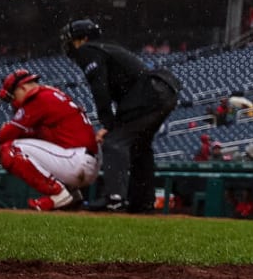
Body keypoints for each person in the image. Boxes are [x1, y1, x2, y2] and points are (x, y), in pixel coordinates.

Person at [61, 18, 180, 213]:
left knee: (114, 142)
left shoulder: (87, 50)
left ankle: (114, 199)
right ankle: (143, 203)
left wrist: (108, 124)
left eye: (72, 40)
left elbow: (100, 88)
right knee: (139, 147)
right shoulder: (106, 47)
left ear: (81, 39)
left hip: (150, 93)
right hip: (162, 91)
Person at [0, 68, 100, 212]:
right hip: (85, 160)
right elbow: (42, 136)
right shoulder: (51, 94)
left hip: (76, 160)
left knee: (9, 149)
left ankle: (58, 194)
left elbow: (11, 131)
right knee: (28, 145)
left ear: (22, 87)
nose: (14, 102)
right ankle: (72, 194)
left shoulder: (37, 97)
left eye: (14, 96)